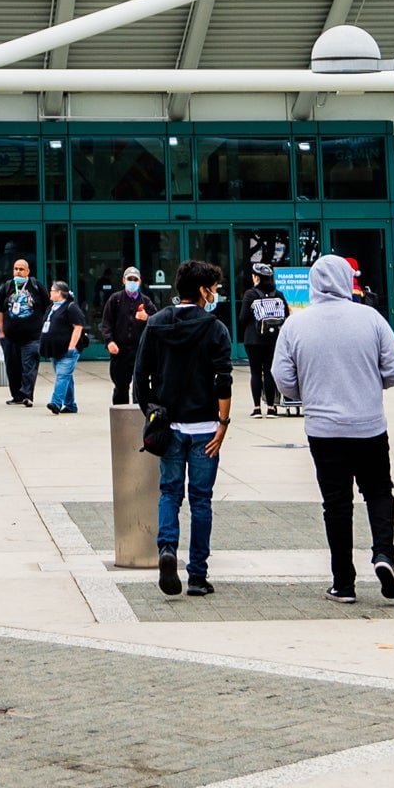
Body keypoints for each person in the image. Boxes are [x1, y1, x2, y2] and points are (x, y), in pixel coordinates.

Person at [273, 254, 394, 602]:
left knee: (336, 503)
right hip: (369, 425)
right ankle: (383, 553)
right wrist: (368, 384)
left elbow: (283, 380)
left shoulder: (296, 325)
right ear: (348, 280)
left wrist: (309, 391)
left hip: (323, 429)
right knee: (378, 491)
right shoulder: (371, 319)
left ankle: (343, 582)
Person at [133, 256, 234, 598]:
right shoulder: (216, 328)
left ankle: (166, 550)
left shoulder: (157, 323)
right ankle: (197, 576)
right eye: (214, 289)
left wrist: (153, 410)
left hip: (170, 426)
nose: (215, 294)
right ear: (204, 291)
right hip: (206, 427)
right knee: (201, 501)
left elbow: (139, 378)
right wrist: (223, 423)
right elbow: (223, 381)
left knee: (169, 493)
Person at [101, 266, 152, 406]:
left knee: (140, 385)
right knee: (120, 386)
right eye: (130, 279)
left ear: (140, 281)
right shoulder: (115, 299)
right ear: (124, 280)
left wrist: (147, 317)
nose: (132, 282)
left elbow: (157, 321)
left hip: (139, 350)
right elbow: (106, 323)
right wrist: (109, 341)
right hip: (120, 351)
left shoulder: (146, 301)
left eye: (135, 279)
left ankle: (139, 415)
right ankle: (120, 418)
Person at [0, 257, 48, 405]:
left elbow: (47, 306)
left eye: (21, 269)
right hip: (10, 337)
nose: (18, 272)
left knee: (29, 368)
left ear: (27, 271)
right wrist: (1, 331)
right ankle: (16, 396)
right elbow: (0, 310)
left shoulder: (36, 286)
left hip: (32, 337)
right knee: (12, 368)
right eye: (16, 269)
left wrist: (44, 327)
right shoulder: (7, 287)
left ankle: (27, 395)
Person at [38, 280, 88, 413]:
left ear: (59, 293)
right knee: (66, 377)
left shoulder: (71, 307)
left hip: (68, 350)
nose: (50, 293)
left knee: (62, 376)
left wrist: (71, 347)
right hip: (55, 350)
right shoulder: (52, 307)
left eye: (52, 291)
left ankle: (56, 402)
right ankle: (70, 405)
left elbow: (78, 327)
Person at [247, 274, 290, 416]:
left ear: (256, 278)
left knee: (255, 372)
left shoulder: (250, 294)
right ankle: (271, 407)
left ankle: (257, 408)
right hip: (272, 339)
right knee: (269, 371)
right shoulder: (278, 294)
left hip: (253, 339)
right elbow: (286, 316)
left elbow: (242, 318)